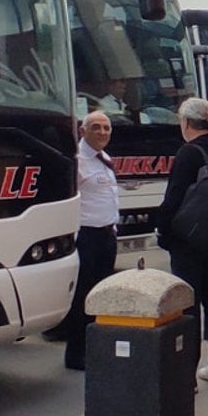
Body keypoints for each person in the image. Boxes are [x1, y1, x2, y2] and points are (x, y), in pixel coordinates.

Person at [155, 98, 208, 387]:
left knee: (188, 304)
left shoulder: (189, 152)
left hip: (188, 238)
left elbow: (174, 196)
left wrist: (162, 229)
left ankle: (186, 374)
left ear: (186, 122)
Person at [62, 111, 120, 370]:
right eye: (96, 127)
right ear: (83, 131)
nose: (102, 132)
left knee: (102, 296)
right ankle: (76, 354)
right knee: (83, 298)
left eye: (106, 128)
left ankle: (96, 347)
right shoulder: (77, 161)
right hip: (86, 236)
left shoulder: (104, 159)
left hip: (107, 235)